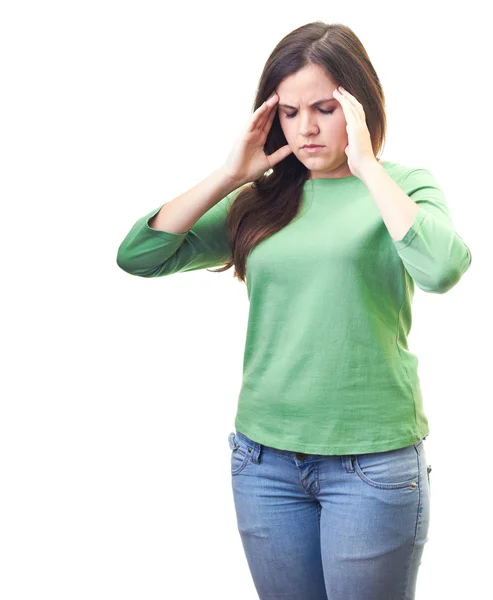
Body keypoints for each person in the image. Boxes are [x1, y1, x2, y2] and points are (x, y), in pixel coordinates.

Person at [116, 21, 472, 600]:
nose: (305, 127)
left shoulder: (403, 186)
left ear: (359, 108)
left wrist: (367, 167)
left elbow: (442, 269)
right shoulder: (261, 201)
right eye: (288, 111)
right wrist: (231, 174)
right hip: (264, 463)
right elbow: (139, 256)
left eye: (326, 108)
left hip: (372, 465)